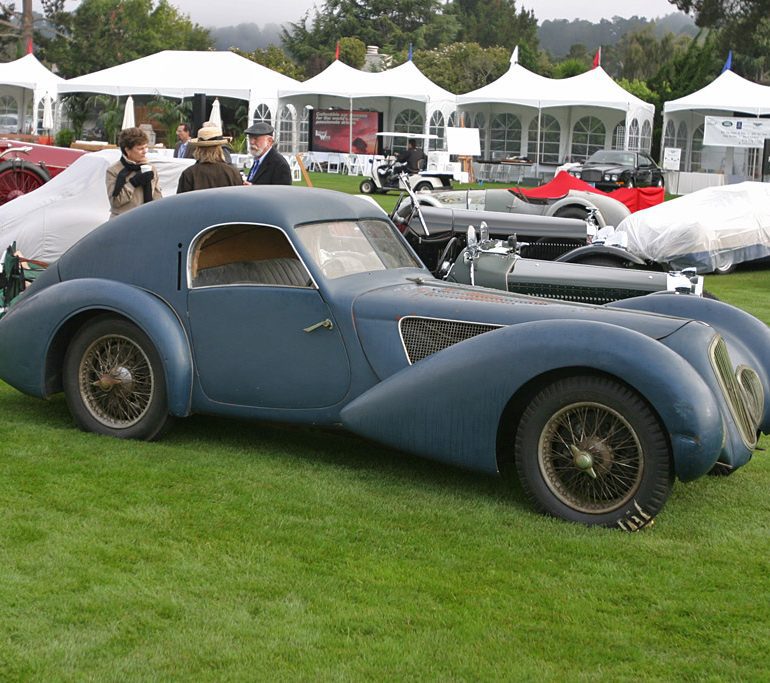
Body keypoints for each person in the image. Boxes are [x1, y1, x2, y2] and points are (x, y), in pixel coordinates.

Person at [106, 127, 162, 219]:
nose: (145, 151)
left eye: (146, 147)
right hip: (122, 221)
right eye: (140, 148)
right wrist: (133, 183)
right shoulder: (114, 170)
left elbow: (157, 198)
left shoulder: (151, 168)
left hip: (146, 220)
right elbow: (115, 202)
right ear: (127, 150)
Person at [176, 124, 243, 194]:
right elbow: (239, 201)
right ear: (219, 149)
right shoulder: (233, 173)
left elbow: (181, 202)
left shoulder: (189, 174)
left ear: (198, 149)